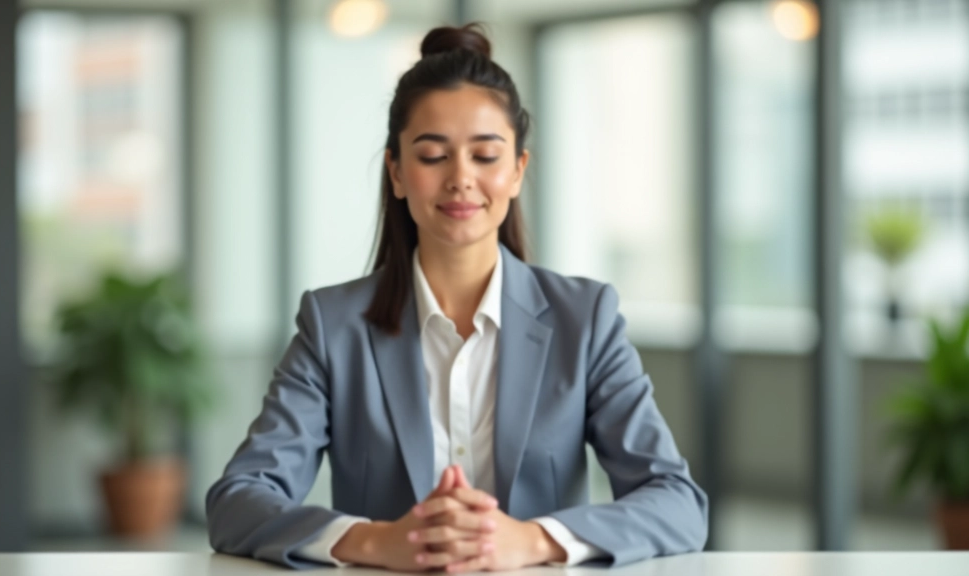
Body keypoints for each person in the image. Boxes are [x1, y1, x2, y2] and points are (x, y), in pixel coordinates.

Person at [206, 23, 708, 572]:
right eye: (432, 156)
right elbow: (237, 501)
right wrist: (378, 541)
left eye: (485, 156)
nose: (461, 179)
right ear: (396, 171)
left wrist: (533, 540)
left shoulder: (584, 320)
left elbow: (678, 505)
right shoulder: (333, 325)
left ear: (518, 170)